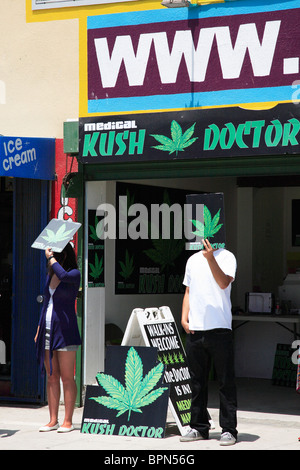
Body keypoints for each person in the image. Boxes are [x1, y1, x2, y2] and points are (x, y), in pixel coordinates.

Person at [180, 238, 238, 446]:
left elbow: (223, 282)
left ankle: (229, 429)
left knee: (225, 380)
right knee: (196, 381)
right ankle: (198, 427)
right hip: (196, 329)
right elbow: (188, 290)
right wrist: (184, 317)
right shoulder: (192, 260)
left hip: (220, 328)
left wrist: (210, 258)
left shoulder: (227, 256)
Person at [34, 243, 81, 433]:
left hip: (66, 330)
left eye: (56, 254)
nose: (53, 257)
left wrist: (50, 258)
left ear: (64, 256)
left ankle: (67, 421)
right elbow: (46, 302)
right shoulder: (50, 275)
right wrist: (38, 328)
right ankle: (52, 419)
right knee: (52, 376)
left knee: (67, 377)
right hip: (47, 328)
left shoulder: (73, 274)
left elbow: (63, 275)